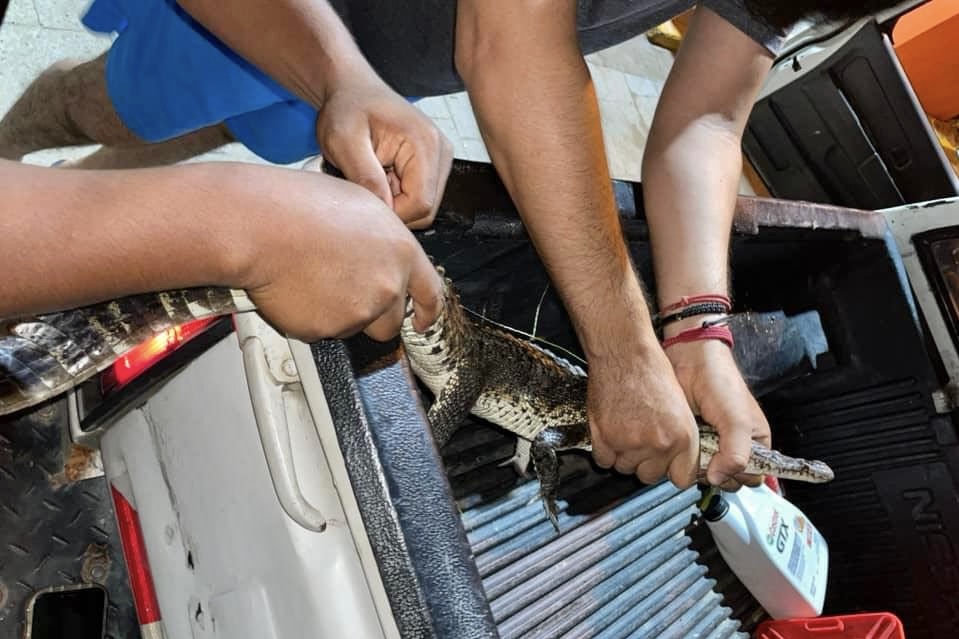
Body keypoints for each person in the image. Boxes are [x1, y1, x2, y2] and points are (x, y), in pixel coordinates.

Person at [0, 0, 902, 492]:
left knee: (172, 154)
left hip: (367, 63)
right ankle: (26, 147)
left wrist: (698, 326)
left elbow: (708, 111)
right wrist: (245, 224)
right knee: (108, 103)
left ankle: (72, 198)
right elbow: (510, 39)